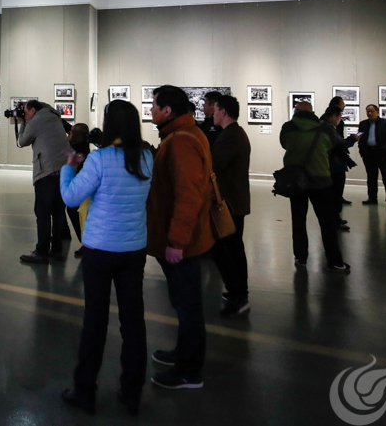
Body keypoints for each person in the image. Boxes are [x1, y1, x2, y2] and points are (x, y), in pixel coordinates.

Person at [59, 101, 153, 416]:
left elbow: (71, 196)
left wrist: (69, 167)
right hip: (134, 249)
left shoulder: (99, 159)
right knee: (133, 322)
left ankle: (85, 392)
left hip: (100, 249)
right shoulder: (146, 158)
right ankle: (132, 394)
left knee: (95, 322)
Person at [146, 85, 214, 390]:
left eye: (154, 105)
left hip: (182, 242)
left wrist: (176, 241)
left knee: (187, 305)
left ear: (167, 111)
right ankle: (183, 353)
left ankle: (189, 371)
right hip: (183, 237)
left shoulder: (181, 141)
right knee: (183, 301)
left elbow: (188, 196)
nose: (151, 109)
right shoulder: (182, 135)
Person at [280, 101, 350, 271]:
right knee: (327, 222)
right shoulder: (324, 128)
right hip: (321, 179)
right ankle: (335, 261)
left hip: (296, 180)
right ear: (312, 112)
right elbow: (331, 145)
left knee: (298, 221)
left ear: (296, 111)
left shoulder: (288, 127)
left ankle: (301, 258)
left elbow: (284, 144)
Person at [209, 95, 252, 317]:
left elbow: (213, 165)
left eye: (215, 109)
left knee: (225, 250)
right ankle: (238, 292)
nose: (212, 113)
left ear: (223, 112)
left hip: (230, 204)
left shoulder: (230, 137)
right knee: (233, 249)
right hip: (234, 202)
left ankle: (238, 296)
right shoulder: (235, 133)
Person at [17, 100, 71, 264]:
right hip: (64, 170)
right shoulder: (55, 116)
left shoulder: (35, 121)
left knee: (43, 214)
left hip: (46, 171)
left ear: (33, 111)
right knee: (59, 212)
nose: (25, 114)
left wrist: (22, 122)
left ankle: (41, 252)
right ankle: (57, 250)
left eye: (26, 111)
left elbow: (22, 142)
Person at [321, 105, 360, 230]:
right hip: (334, 164)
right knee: (335, 194)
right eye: (340, 116)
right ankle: (334, 221)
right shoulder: (328, 128)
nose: (340, 119)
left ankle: (335, 219)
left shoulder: (323, 126)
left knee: (334, 194)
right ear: (334, 116)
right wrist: (353, 139)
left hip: (330, 163)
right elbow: (341, 144)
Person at [358, 104, 386, 207]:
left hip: (383, 153)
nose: (369, 113)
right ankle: (372, 198)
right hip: (369, 153)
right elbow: (360, 138)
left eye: (372, 111)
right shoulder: (363, 124)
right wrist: (362, 150)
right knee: (371, 177)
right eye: (368, 111)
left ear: (377, 112)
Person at [66, 123, 90, 258]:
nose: (69, 134)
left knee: (74, 212)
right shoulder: (80, 147)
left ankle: (85, 243)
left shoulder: (79, 151)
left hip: (79, 189)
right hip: (79, 187)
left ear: (79, 137)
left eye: (72, 132)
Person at [328, 96, 354, 206]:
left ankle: (337, 200)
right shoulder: (329, 126)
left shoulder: (324, 122)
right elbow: (339, 141)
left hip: (334, 156)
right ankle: (336, 206)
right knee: (337, 182)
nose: (344, 106)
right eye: (342, 104)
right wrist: (351, 140)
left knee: (337, 183)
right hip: (334, 158)